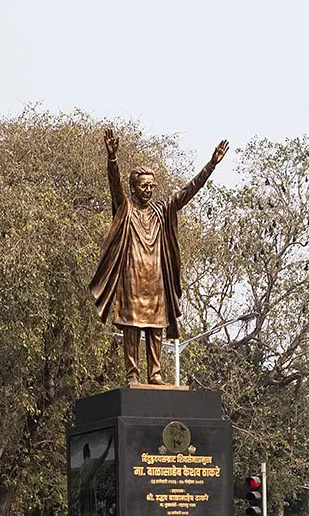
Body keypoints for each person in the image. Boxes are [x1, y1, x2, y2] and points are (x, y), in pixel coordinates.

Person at [88, 127, 227, 386]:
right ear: (133, 188)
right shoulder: (126, 208)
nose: (148, 190)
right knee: (131, 326)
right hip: (131, 279)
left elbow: (187, 191)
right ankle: (132, 374)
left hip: (156, 279)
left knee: (155, 327)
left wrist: (211, 165)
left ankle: (155, 373)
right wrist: (112, 158)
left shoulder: (162, 210)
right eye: (144, 186)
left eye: (151, 185)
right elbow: (114, 186)